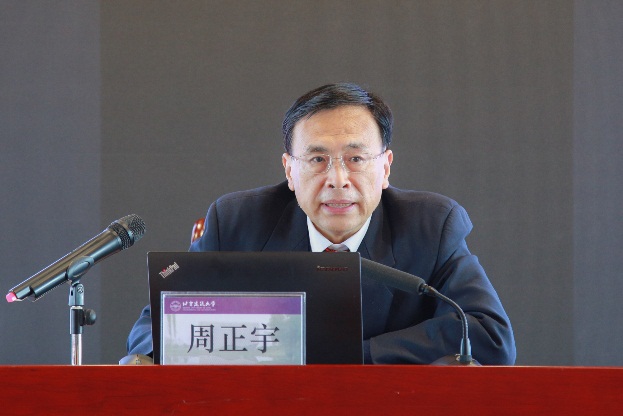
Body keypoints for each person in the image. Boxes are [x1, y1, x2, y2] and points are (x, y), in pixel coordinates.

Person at [127, 83, 516, 364]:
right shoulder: (236, 222)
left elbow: (487, 334)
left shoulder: (431, 226)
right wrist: (147, 357)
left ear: (385, 167)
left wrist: (352, 356)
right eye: (317, 160)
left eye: (355, 159)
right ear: (289, 171)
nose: (337, 179)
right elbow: (156, 327)